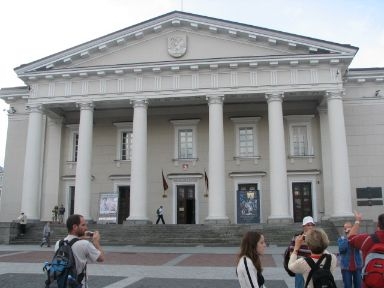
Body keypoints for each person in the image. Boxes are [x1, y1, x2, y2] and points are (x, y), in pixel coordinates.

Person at [55, 214, 105, 287]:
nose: (86, 228)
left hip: (63, 283)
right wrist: (96, 242)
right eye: (83, 225)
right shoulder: (85, 244)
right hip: (78, 284)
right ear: (75, 227)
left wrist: (80, 238)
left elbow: (72, 243)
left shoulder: (59, 243)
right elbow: (101, 258)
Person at [286, 216, 315, 288]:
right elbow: (291, 253)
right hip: (300, 267)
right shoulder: (297, 238)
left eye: (312, 225)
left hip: (312, 267)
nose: (310, 227)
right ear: (303, 226)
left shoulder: (316, 238)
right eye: (308, 225)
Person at [337, 221, 362, 288]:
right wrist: (347, 238)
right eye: (345, 228)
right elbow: (342, 249)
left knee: (359, 285)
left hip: (357, 266)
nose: (347, 230)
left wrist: (352, 236)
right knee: (347, 286)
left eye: (349, 228)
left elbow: (359, 246)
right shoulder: (341, 239)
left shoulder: (357, 237)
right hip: (346, 267)